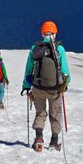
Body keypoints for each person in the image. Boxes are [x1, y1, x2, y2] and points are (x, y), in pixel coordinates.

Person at [21, 20, 71, 152]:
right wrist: (64, 86)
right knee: (55, 114)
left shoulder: (35, 48)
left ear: (42, 33)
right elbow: (65, 71)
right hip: (55, 90)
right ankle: (54, 142)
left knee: (40, 113)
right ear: (55, 33)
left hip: (38, 88)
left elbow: (28, 70)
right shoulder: (59, 49)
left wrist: (26, 86)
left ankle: (39, 138)